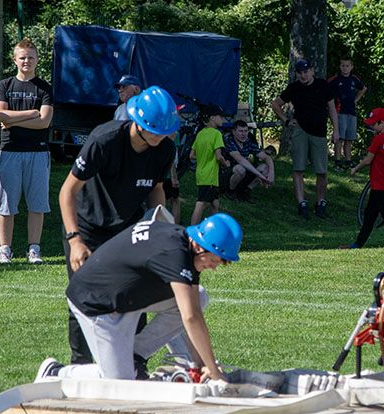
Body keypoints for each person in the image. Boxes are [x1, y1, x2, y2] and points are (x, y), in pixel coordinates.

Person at [35, 213, 242, 383]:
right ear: (200, 247)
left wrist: (200, 365)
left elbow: (192, 309)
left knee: (199, 296)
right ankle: (56, 372)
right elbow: (191, 318)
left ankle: (135, 355)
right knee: (119, 382)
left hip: (124, 299)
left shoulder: (183, 243)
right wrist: (213, 370)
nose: (215, 267)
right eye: (216, 260)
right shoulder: (174, 254)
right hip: (95, 303)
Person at [59, 84, 178, 366]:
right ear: (140, 125)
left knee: (135, 294)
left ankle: (133, 363)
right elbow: (67, 192)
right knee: (85, 298)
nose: (165, 136)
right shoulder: (105, 139)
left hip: (128, 230)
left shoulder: (164, 149)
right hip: (87, 227)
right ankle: (81, 366)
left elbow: (156, 189)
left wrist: (159, 226)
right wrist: (75, 239)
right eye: (159, 131)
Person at [0, 38, 54, 265]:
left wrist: (13, 120)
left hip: (38, 152)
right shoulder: (5, 85)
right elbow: (0, 115)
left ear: (37, 59)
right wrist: (32, 113)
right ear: (15, 59)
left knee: (37, 204)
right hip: (9, 150)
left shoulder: (44, 87)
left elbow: (44, 122)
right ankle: (4, 250)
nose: (26, 61)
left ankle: (34, 250)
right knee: (6, 205)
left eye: (30, 57)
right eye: (22, 57)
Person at [271, 58, 339, 220]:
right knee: (298, 169)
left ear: (312, 71)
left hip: (320, 133)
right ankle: (302, 203)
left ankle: (321, 202)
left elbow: (332, 109)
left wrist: (336, 130)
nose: (304, 75)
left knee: (321, 171)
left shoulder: (323, 86)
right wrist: (286, 120)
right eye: (300, 73)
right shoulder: (294, 88)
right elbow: (275, 104)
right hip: (300, 131)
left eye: (306, 71)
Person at [342, 107, 384, 249]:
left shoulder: (379, 139)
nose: (372, 127)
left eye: (374, 124)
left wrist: (355, 168)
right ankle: (357, 244)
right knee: (369, 216)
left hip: (378, 186)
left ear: (382, 123)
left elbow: (368, 160)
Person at [189, 103, 230, 224]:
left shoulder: (200, 134)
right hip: (210, 176)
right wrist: (226, 163)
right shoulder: (217, 134)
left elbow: (192, 155)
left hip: (201, 174)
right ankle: (192, 231)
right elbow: (218, 156)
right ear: (212, 117)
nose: (223, 119)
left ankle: (213, 228)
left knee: (215, 204)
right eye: (220, 116)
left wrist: (204, 157)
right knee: (201, 203)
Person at [222, 119, 274, 202]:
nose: (244, 134)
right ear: (234, 132)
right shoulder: (229, 141)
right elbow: (241, 160)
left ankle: (246, 192)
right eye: (241, 131)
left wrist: (271, 172)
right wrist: (261, 177)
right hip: (228, 172)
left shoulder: (248, 142)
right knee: (240, 168)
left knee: (264, 167)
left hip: (245, 172)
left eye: (246, 131)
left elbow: (266, 157)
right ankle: (230, 191)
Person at [328, 57, 367, 170]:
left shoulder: (354, 79)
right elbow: (326, 87)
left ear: (351, 67)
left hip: (351, 112)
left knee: (349, 139)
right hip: (340, 111)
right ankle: (338, 161)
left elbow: (363, 88)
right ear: (340, 67)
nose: (345, 68)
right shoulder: (336, 79)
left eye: (347, 66)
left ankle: (348, 160)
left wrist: (356, 99)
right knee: (339, 138)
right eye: (343, 66)